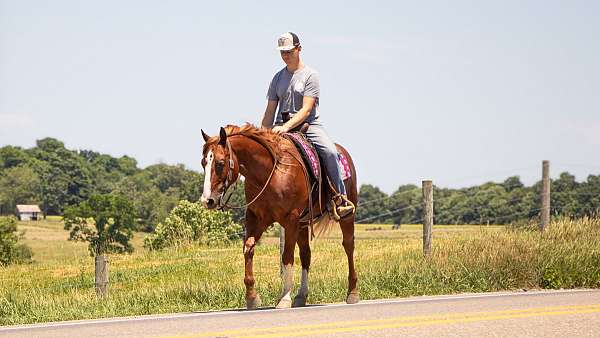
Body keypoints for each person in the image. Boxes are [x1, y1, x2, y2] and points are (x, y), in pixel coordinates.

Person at [261, 32, 355, 219]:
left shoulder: (311, 75)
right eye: (282, 52)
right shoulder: (277, 78)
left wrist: (286, 127)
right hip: (280, 126)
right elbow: (270, 110)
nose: (285, 55)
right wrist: (262, 133)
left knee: (329, 151)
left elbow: (306, 110)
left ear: (299, 49)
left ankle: (339, 198)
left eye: (289, 51)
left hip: (308, 125)